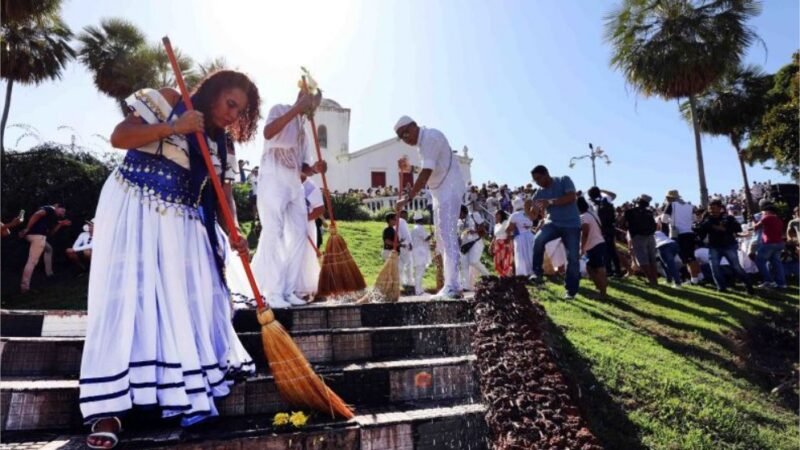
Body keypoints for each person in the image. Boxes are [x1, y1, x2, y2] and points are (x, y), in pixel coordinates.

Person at [80, 71, 260, 448]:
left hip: (183, 221)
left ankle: (182, 393)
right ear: (213, 92)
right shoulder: (169, 100)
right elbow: (120, 137)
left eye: (240, 111)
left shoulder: (223, 144)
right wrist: (175, 126)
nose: (232, 115)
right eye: (230, 104)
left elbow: (224, 194)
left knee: (189, 303)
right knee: (125, 299)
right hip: (133, 204)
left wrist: (236, 230)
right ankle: (108, 410)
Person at [250, 88, 325, 308]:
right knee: (273, 231)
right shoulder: (280, 110)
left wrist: (315, 168)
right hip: (273, 180)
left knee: (300, 233)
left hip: (294, 185)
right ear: (302, 95)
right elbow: (268, 133)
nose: (312, 109)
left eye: (315, 105)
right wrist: (296, 109)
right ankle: (272, 292)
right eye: (311, 102)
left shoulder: (305, 131)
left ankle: (289, 289)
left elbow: (303, 166)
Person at [395, 116, 466, 299]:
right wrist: (410, 169)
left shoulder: (430, 137)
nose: (405, 138)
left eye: (405, 133)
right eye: (401, 137)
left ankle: (453, 286)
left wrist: (408, 198)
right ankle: (451, 285)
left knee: (448, 236)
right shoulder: (423, 145)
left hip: (449, 189)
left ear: (414, 126)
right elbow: (431, 168)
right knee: (442, 239)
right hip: (440, 193)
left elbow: (426, 173)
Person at [528, 165, 581, 299]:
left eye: (539, 178)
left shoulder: (563, 180)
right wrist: (530, 209)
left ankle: (571, 291)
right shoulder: (538, 193)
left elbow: (571, 197)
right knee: (538, 239)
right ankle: (537, 274)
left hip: (571, 224)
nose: (537, 182)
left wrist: (550, 202)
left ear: (546, 174)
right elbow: (533, 215)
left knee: (573, 257)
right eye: (535, 180)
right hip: (553, 223)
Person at [696, 199, 754, 294]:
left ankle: (748, 285)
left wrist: (725, 229)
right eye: (710, 209)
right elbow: (702, 234)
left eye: (714, 208)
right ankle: (721, 288)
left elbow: (738, 229)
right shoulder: (707, 220)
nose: (712, 211)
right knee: (714, 268)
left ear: (720, 208)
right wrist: (699, 227)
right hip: (714, 247)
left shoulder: (728, 218)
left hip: (729, 246)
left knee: (736, 267)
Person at [18, 203, 70, 293]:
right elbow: (37, 214)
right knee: (32, 262)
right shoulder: (50, 209)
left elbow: (51, 233)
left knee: (49, 249)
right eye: (62, 211)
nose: (62, 214)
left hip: (36, 236)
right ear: (56, 207)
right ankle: (25, 288)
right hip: (37, 236)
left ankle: (49, 274)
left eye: (64, 213)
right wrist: (27, 228)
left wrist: (60, 224)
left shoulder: (51, 217)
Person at [295, 174, 325, 300]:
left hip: (306, 225)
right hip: (290, 226)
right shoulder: (289, 183)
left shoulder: (310, 186)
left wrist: (303, 219)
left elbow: (320, 209)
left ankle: (305, 289)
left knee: (305, 256)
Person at [662, 190, 702, 284]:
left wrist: (672, 222)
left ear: (670, 198)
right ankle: (699, 277)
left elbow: (664, 219)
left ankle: (694, 280)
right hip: (690, 233)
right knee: (691, 257)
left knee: (688, 258)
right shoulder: (689, 205)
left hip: (679, 234)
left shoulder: (671, 205)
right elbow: (694, 219)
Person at [623, 195, 659, 286]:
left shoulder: (630, 212)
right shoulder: (649, 212)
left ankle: (651, 280)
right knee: (652, 259)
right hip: (650, 236)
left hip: (637, 237)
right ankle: (655, 280)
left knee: (642, 259)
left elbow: (625, 224)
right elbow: (654, 225)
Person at [587, 186, 623, 277]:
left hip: (601, 230)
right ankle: (618, 270)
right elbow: (613, 195)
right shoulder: (606, 200)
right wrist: (602, 191)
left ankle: (609, 270)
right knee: (612, 250)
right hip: (610, 228)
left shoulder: (592, 203)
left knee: (605, 251)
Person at [577, 197, 608, 299]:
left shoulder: (583, 217)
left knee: (597, 269)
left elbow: (585, 233)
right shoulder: (593, 214)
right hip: (599, 243)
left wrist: (582, 248)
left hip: (594, 245)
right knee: (592, 268)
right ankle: (601, 289)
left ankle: (602, 293)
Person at [753, 201, 787, 289]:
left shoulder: (767, 218)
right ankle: (781, 283)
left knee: (759, 261)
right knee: (777, 263)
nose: (762, 213)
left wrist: (754, 221)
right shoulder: (778, 219)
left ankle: (769, 281)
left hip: (769, 243)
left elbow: (755, 227)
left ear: (767, 211)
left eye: (764, 211)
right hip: (779, 243)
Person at [459, 208, 490, 291]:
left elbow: (483, 226)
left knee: (473, 261)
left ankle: (488, 276)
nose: (458, 215)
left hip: (475, 242)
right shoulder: (458, 221)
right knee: (464, 266)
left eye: (460, 213)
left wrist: (475, 231)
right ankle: (465, 286)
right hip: (464, 245)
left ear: (463, 211)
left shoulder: (473, 215)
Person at [508, 197, 535, 276]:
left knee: (520, 255)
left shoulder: (514, 215)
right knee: (530, 254)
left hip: (519, 237)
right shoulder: (529, 213)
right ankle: (532, 271)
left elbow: (510, 228)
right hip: (530, 236)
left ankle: (522, 273)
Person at [410, 211, 432, 295]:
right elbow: (426, 238)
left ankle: (419, 290)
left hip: (416, 252)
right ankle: (418, 291)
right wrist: (431, 234)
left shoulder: (413, 228)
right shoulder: (420, 228)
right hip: (420, 252)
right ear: (421, 220)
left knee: (419, 272)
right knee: (420, 272)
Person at [491, 210, 514, 277]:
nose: (496, 216)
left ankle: (507, 275)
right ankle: (501, 275)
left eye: (497, 214)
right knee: (497, 261)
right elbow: (495, 236)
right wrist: (491, 245)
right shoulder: (496, 225)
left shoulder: (506, 222)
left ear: (501, 215)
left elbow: (510, 233)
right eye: (495, 215)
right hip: (497, 246)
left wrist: (508, 243)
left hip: (505, 244)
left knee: (506, 261)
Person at [397, 209, 414, 289]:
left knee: (400, 264)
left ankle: (401, 281)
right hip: (405, 245)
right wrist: (410, 243)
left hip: (399, 245)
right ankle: (409, 281)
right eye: (405, 215)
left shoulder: (397, 221)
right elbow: (406, 234)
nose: (407, 217)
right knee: (408, 264)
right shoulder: (402, 221)